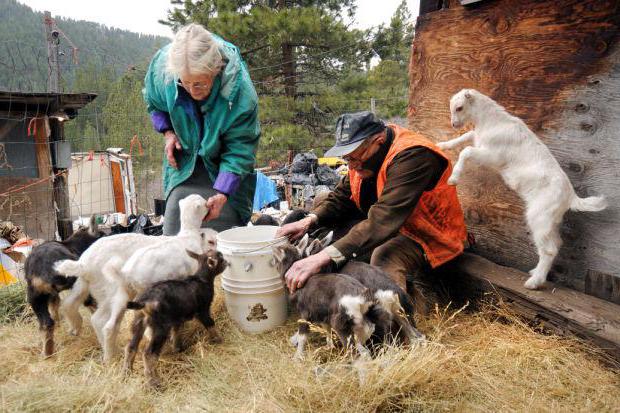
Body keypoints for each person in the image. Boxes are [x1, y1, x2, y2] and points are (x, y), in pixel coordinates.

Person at [277, 111, 467, 307]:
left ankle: (398, 319)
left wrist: (322, 257)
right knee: (322, 201)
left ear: (378, 140)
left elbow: (382, 219)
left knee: (385, 256)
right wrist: (308, 220)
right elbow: (341, 196)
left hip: (427, 233)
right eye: (347, 157)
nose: (351, 164)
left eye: (355, 156)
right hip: (390, 224)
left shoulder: (414, 155)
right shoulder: (360, 156)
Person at [143, 23, 260, 234]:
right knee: (174, 237)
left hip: (224, 172)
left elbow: (240, 150)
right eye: (185, 84)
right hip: (184, 166)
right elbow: (155, 104)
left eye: (199, 83)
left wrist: (223, 192)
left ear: (216, 70)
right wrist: (168, 133)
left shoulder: (241, 93)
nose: (192, 90)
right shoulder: (163, 72)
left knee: (224, 242)